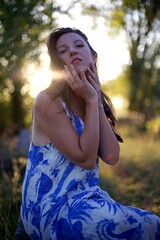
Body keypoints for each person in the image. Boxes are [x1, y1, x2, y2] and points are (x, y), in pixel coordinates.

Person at [18, 27, 160, 240]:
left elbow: (112, 156)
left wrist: (94, 101)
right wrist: (93, 100)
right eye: (64, 50)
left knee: (152, 224)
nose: (73, 51)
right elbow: (85, 159)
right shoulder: (47, 101)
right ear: (59, 65)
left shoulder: (91, 101)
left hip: (87, 199)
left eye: (79, 46)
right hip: (52, 208)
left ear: (93, 56)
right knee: (127, 228)